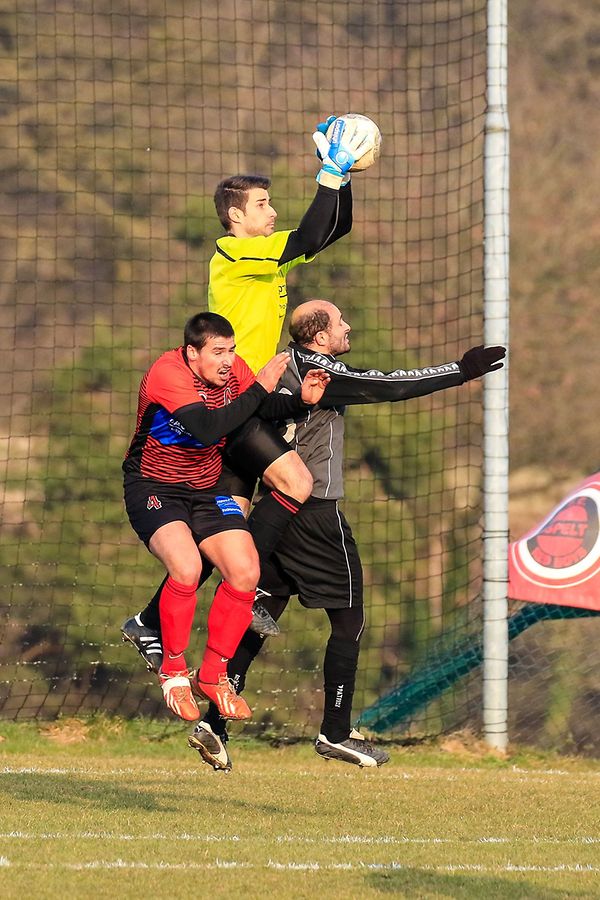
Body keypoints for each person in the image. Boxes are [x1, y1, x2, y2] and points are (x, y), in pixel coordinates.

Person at [188, 299, 506, 769]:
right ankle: (335, 733)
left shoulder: (285, 366)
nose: (348, 326)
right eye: (340, 322)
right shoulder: (320, 370)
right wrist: (461, 369)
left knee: (261, 614)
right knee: (349, 620)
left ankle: (213, 723)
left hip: (278, 510)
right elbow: (387, 386)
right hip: (314, 512)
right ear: (319, 337)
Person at [121, 117, 365, 656]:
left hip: (247, 402)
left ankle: (148, 621)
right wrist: (328, 174)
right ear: (235, 215)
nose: (271, 211)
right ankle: (251, 589)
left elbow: (329, 233)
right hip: (236, 402)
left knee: (219, 534)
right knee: (296, 483)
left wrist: (342, 181)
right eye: (262, 204)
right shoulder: (233, 255)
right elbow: (308, 236)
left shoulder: (262, 255)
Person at [122, 311, 329, 723]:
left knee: (245, 572)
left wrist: (297, 401)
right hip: (154, 489)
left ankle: (214, 674)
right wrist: (261, 389)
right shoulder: (167, 373)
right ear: (192, 353)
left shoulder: (231, 369)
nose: (227, 360)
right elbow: (205, 427)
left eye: (231, 350)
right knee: (186, 567)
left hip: (206, 489)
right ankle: (174, 671)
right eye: (218, 352)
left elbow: (259, 405)